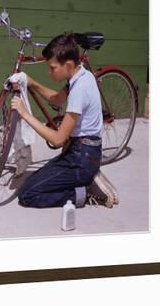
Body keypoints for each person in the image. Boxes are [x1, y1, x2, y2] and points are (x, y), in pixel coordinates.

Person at [11, 33, 118, 208]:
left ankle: (87, 191)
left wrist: (25, 114)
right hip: (81, 152)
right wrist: (32, 83)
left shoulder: (79, 89)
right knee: (34, 183)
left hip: (81, 159)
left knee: (27, 194)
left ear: (68, 64)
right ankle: (86, 180)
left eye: (52, 68)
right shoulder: (81, 75)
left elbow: (57, 139)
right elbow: (56, 99)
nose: (49, 72)